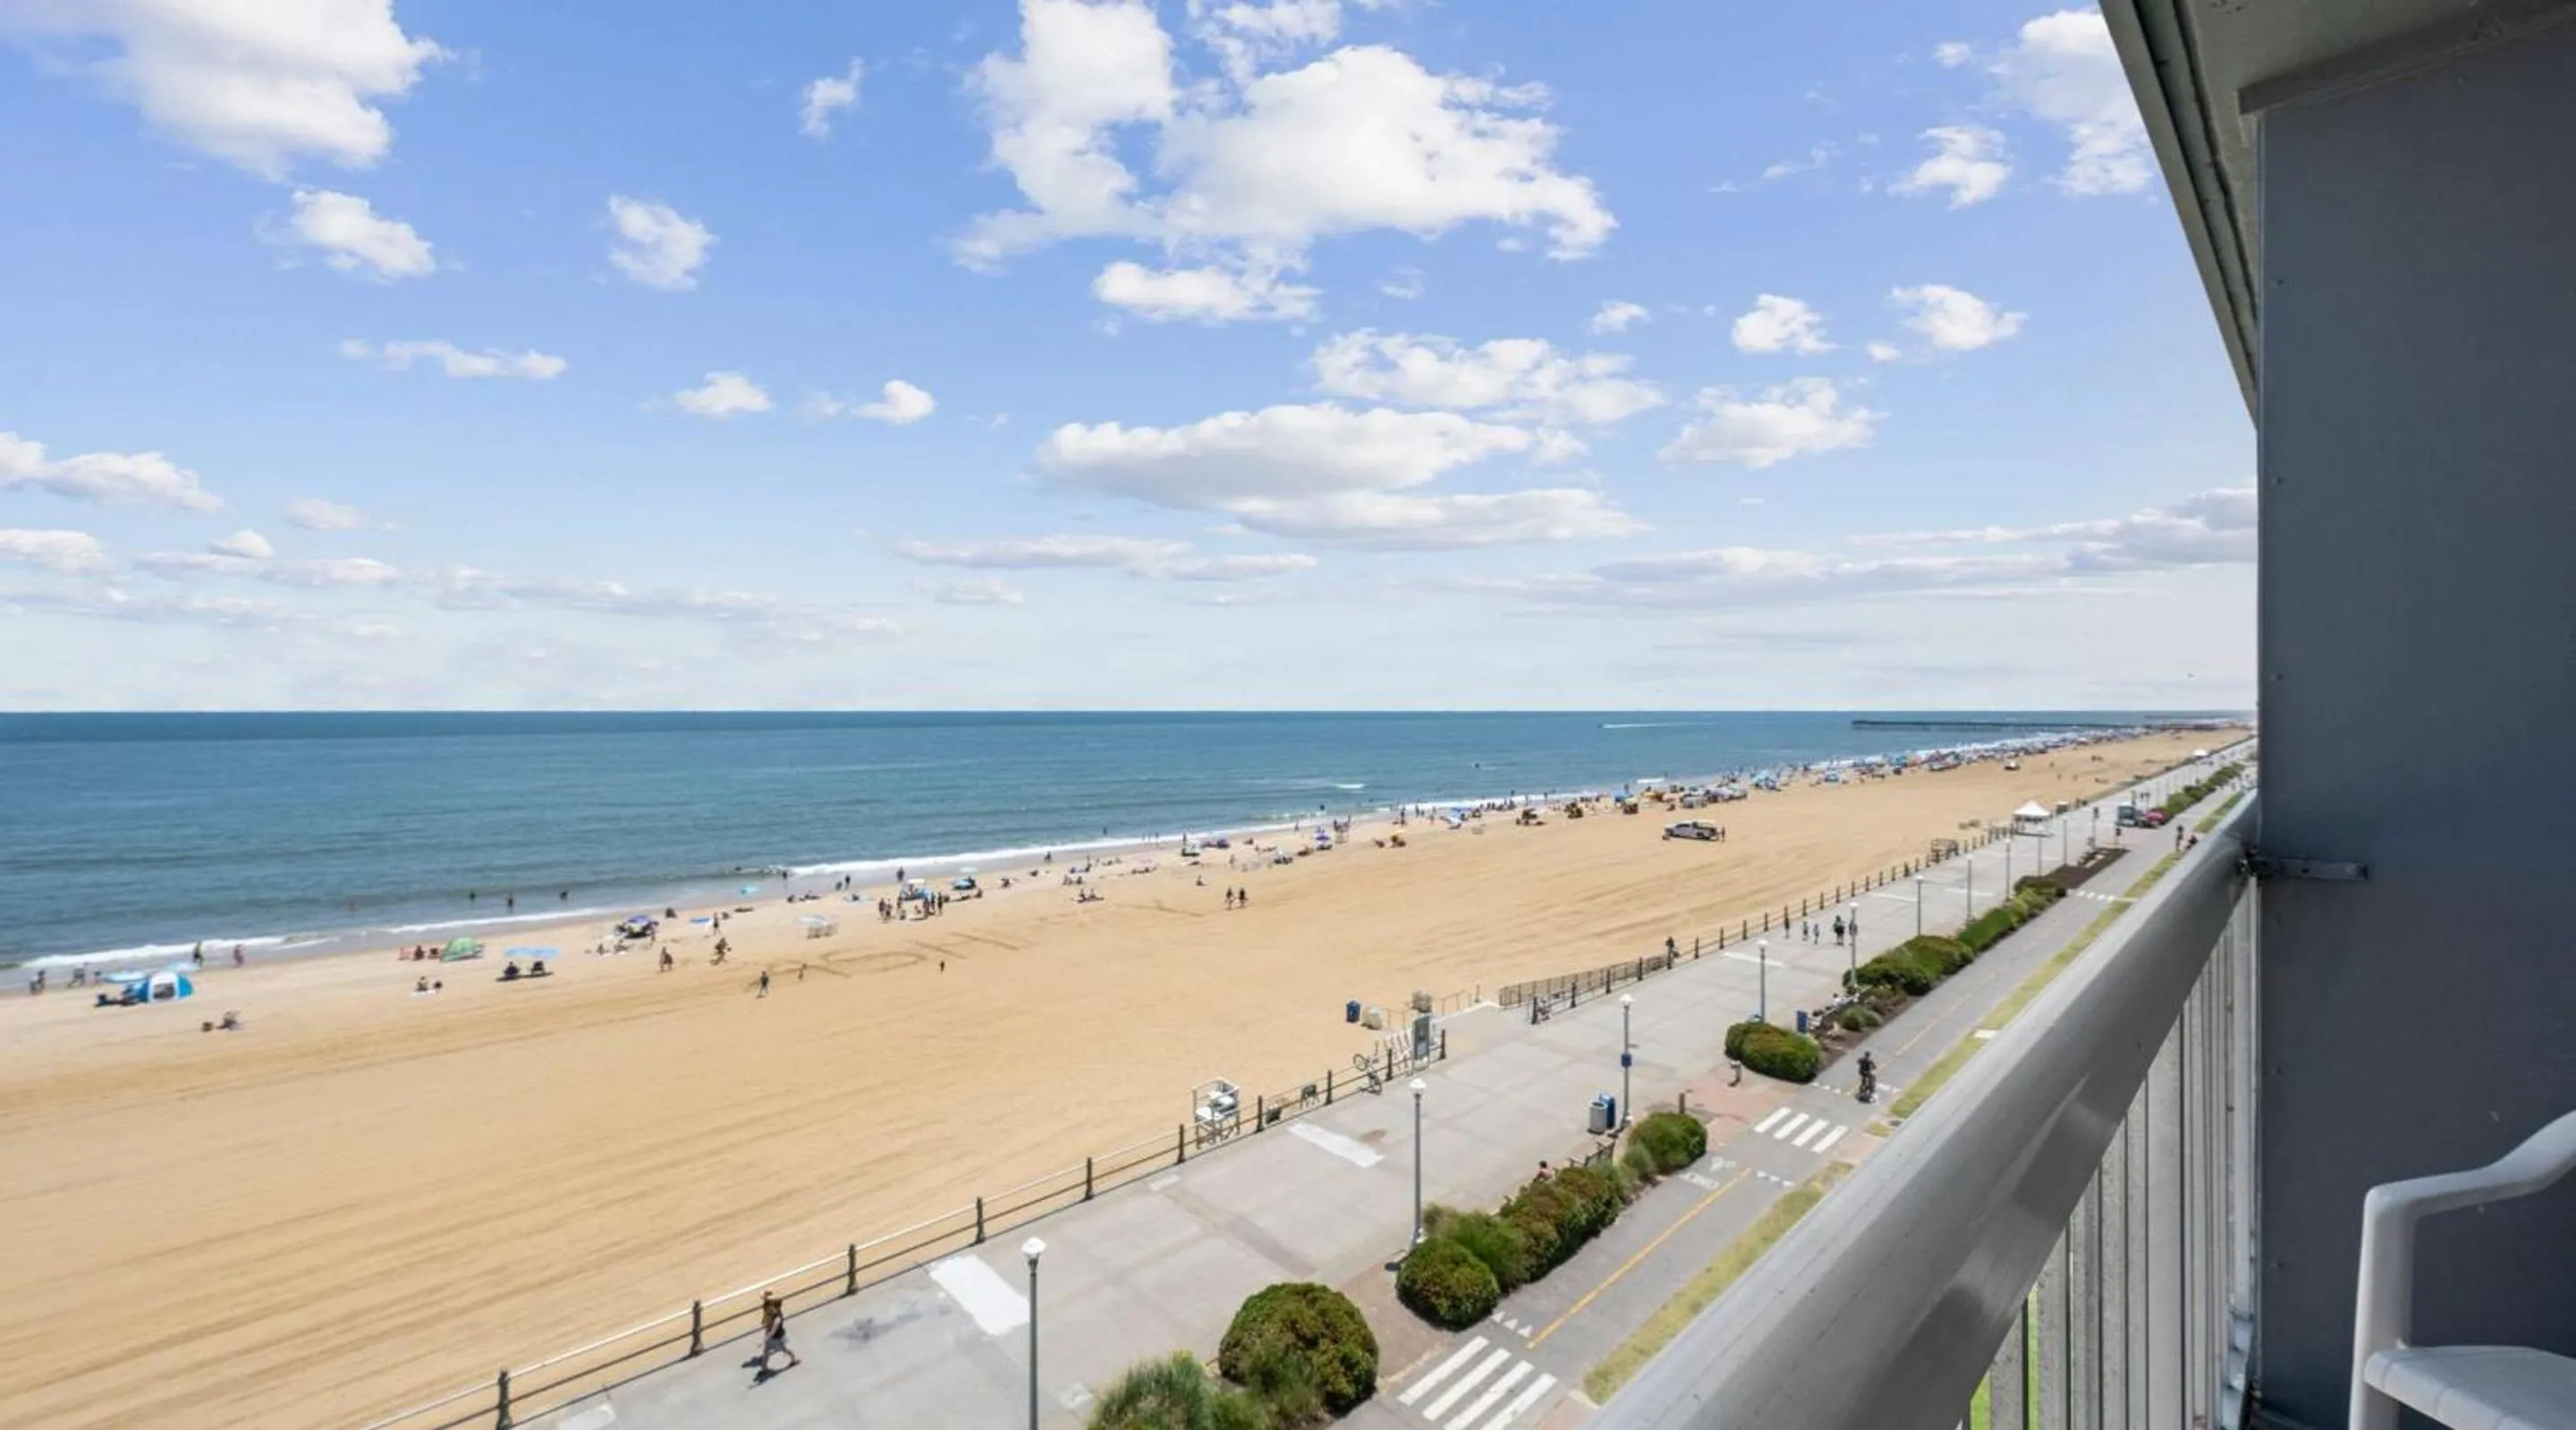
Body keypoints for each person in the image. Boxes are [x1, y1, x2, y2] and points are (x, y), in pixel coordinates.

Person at [758, 1290, 799, 1375]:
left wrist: (763, 1341)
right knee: (766, 1351)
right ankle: (765, 1368)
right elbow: (765, 1300)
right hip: (771, 1336)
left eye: (771, 1304)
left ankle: (794, 1360)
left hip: (777, 1338)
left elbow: (773, 1331)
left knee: (784, 1349)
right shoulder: (772, 1310)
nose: (769, 1305)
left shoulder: (778, 1319)